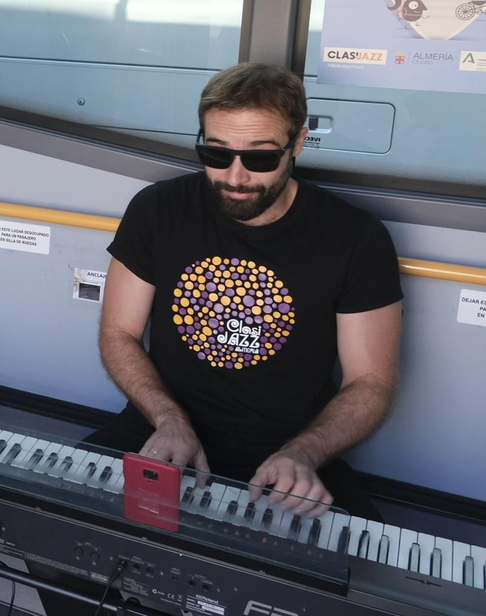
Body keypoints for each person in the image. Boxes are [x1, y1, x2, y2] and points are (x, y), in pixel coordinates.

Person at [37, 63, 403, 613]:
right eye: (215, 153)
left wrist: (303, 453)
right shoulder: (159, 209)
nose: (235, 175)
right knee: (44, 539)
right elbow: (118, 332)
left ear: (299, 143)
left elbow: (371, 381)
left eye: (259, 157)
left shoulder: (354, 237)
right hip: (161, 431)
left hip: (288, 451)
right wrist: (167, 418)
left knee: (372, 593)